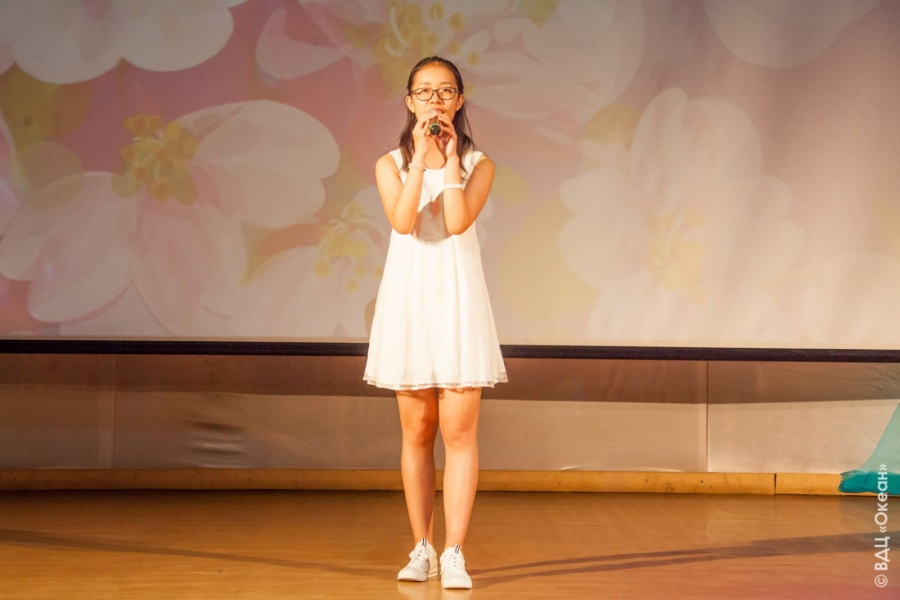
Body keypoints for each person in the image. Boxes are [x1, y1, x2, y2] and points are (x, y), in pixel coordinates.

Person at [363, 56, 507, 590]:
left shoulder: (480, 165)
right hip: (410, 300)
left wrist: (448, 163)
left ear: (460, 100)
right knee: (417, 430)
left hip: (457, 300)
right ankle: (421, 546)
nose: (435, 101)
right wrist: (420, 163)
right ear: (409, 102)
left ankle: (454, 552)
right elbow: (404, 222)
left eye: (445, 91)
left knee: (460, 431)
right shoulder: (389, 164)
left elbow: (454, 221)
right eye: (424, 92)